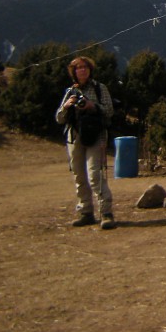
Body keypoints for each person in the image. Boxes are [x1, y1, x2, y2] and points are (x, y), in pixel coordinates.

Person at [56, 56, 116, 230]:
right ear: (73, 72)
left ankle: (106, 212)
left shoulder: (99, 89)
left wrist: (92, 106)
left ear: (90, 70)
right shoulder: (70, 92)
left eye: (85, 67)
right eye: (78, 68)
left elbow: (109, 111)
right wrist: (67, 106)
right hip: (74, 137)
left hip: (95, 135)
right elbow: (59, 118)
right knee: (78, 175)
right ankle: (85, 212)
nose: (82, 70)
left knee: (94, 174)